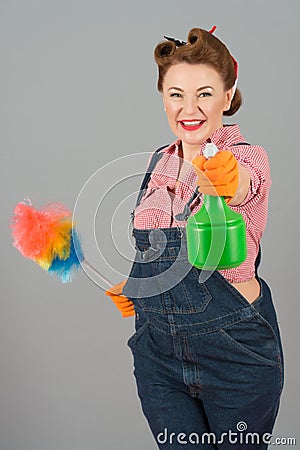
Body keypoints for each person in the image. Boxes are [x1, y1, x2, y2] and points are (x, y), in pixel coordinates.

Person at [105, 27, 284, 449]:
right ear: (163, 97)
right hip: (158, 355)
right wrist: (139, 287)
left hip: (234, 352)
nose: (189, 108)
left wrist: (227, 180)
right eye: (176, 94)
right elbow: (153, 248)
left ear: (227, 95)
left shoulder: (244, 158)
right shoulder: (156, 165)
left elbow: (244, 184)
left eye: (204, 93)